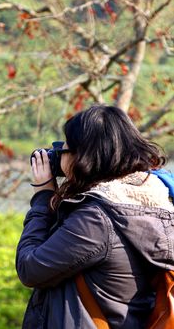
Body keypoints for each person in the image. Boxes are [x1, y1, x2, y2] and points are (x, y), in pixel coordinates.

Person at [15, 105, 174, 329]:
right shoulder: (156, 201)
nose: (60, 156)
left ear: (83, 157)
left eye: (65, 149)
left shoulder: (97, 220)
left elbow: (30, 268)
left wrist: (43, 196)